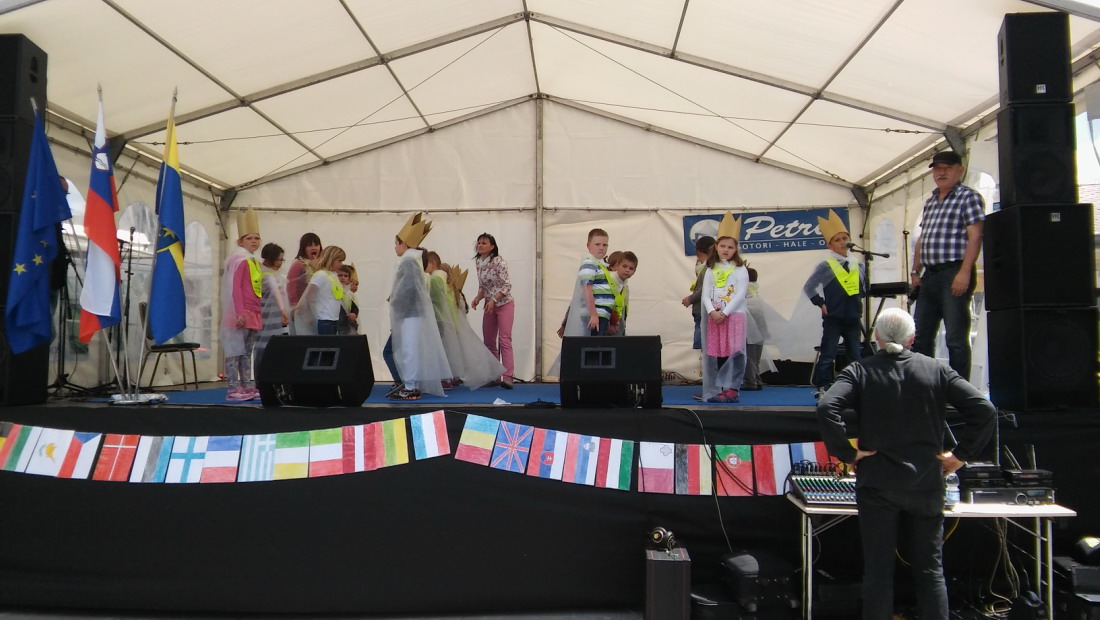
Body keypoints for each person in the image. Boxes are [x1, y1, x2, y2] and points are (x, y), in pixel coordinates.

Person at [816, 307, 996, 620]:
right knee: (930, 569)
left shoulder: (860, 370)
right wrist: (960, 456)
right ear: (912, 338)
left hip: (878, 483)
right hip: (926, 482)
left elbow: (827, 406)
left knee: (878, 570)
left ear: (876, 336)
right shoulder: (936, 369)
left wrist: (848, 453)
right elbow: (985, 410)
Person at [909, 151, 985, 380]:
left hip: (954, 270)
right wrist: (915, 271)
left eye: (947, 168)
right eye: (937, 168)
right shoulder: (931, 201)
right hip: (929, 275)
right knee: (920, 337)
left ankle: (959, 390)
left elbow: (975, 236)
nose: (941, 172)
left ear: (960, 170)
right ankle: (926, 386)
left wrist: (964, 272)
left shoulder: (968, 197)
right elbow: (922, 238)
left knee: (955, 338)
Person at [384, 212, 451, 401]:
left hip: (409, 314)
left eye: (396, 243)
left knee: (409, 349)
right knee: (410, 348)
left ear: (404, 245)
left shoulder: (408, 261)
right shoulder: (414, 260)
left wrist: (397, 308)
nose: (395, 247)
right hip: (413, 313)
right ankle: (411, 384)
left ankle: (411, 386)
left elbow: (407, 290)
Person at [802, 209, 866, 392]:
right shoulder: (825, 266)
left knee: (855, 353)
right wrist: (820, 303)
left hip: (853, 316)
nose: (842, 242)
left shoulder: (859, 265)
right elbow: (809, 287)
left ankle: (855, 385)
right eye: (837, 240)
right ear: (829, 246)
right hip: (833, 316)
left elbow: (863, 288)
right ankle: (823, 385)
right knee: (828, 353)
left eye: (845, 238)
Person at [700, 212, 749, 403]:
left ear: (736, 249)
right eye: (723, 246)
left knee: (734, 352)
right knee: (719, 351)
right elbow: (705, 293)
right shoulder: (711, 268)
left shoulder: (740, 269)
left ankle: (733, 388)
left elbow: (740, 293)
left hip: (734, 315)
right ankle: (721, 388)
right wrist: (712, 311)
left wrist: (725, 312)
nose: (726, 250)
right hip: (715, 316)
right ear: (716, 247)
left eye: (730, 247)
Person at [221, 209, 263, 402]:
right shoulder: (240, 260)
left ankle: (247, 385)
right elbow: (235, 287)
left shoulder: (254, 261)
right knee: (234, 351)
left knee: (247, 351)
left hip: (253, 311)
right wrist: (239, 312)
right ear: (240, 242)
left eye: (257, 238)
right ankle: (232, 387)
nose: (254, 241)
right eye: (249, 238)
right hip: (241, 311)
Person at [470, 233, 515, 388]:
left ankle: (507, 376)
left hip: (504, 303)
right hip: (489, 305)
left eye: (484, 243)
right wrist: (478, 298)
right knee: (488, 340)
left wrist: (494, 300)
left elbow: (507, 285)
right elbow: (483, 286)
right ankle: (494, 374)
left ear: (492, 246)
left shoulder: (499, 262)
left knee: (504, 339)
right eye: (479, 243)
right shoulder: (478, 262)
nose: (480, 245)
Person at [558, 228, 614, 337]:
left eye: (605, 245)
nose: (601, 248)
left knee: (600, 343)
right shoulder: (589, 263)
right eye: (597, 244)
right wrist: (593, 314)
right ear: (588, 245)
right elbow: (587, 289)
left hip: (602, 313)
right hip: (595, 313)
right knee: (596, 345)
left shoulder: (599, 264)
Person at [292, 246, 346, 335]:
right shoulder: (320, 275)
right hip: (324, 319)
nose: (341, 264)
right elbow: (309, 296)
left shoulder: (333, 275)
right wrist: (308, 314)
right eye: (339, 261)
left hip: (334, 319)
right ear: (331, 259)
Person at [255, 242, 289, 368]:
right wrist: (283, 310)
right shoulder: (267, 276)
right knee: (265, 348)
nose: (280, 263)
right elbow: (275, 291)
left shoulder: (274, 274)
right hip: (268, 318)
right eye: (279, 259)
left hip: (275, 318)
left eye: (282, 260)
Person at [682, 236, 716, 352]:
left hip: (703, 310)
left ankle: (707, 361)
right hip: (704, 309)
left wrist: (690, 299)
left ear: (699, 252)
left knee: (705, 342)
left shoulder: (708, 267)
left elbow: (705, 288)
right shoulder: (707, 267)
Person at [742, 266, 768, 391]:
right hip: (761, 328)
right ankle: (757, 380)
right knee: (756, 357)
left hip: (750, 329)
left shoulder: (744, 293)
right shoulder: (756, 293)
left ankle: (750, 382)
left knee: (749, 356)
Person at [286, 232, 322, 308]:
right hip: (303, 307)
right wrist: (295, 307)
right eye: (309, 245)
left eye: (316, 245)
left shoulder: (322, 264)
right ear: (303, 248)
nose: (314, 248)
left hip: (320, 306)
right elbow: (292, 287)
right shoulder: (298, 264)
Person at [606, 250, 637, 336]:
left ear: (634, 271)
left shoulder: (625, 286)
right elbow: (604, 303)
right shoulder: (609, 280)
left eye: (631, 268)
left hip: (619, 330)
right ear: (618, 265)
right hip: (606, 328)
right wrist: (612, 322)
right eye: (624, 266)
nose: (627, 270)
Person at [336, 264, 359, 335]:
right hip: (336, 323)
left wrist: (354, 314)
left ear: (349, 279)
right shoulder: (332, 290)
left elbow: (354, 307)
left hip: (346, 324)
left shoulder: (349, 294)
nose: (343, 278)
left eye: (345, 276)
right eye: (340, 275)